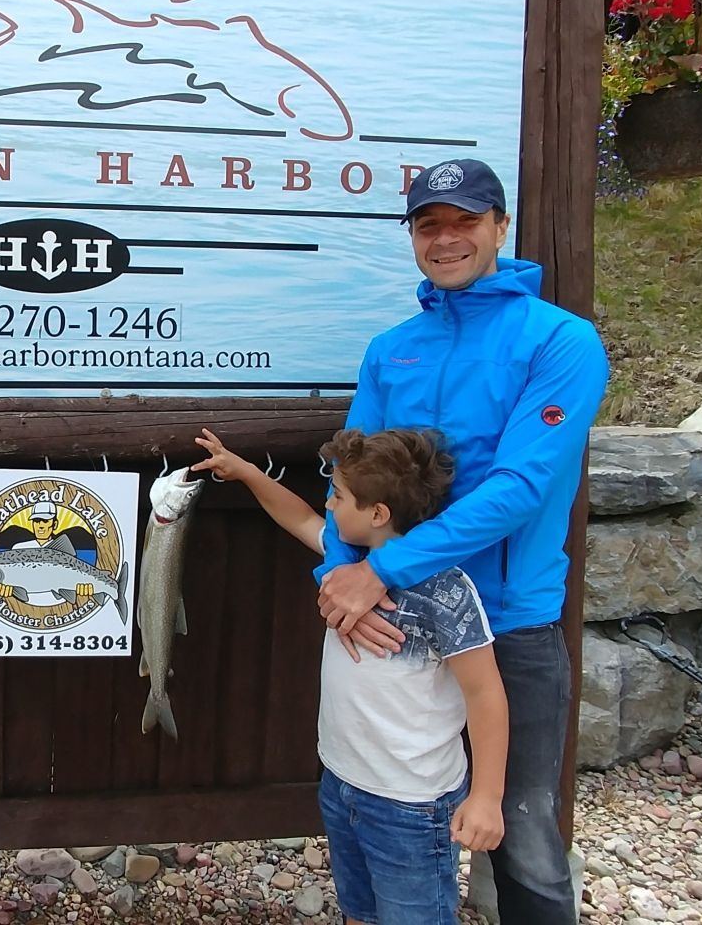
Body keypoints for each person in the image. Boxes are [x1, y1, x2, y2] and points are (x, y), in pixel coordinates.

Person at [314, 158, 609, 923]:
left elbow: (521, 487)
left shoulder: (562, 342)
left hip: (508, 624)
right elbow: (350, 477)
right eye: (428, 225)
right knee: (384, 805)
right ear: (413, 235)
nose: (446, 239)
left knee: (524, 831)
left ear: (501, 227)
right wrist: (341, 572)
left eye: (465, 221)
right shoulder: (392, 347)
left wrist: (381, 571)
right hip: (395, 624)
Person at [196, 427, 508, 924]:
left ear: (378, 514)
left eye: (338, 496)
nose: (331, 505)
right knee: (358, 909)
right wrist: (247, 471)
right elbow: (298, 517)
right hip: (342, 782)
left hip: (412, 804)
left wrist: (487, 797)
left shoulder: (448, 592)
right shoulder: (352, 561)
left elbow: (484, 691)